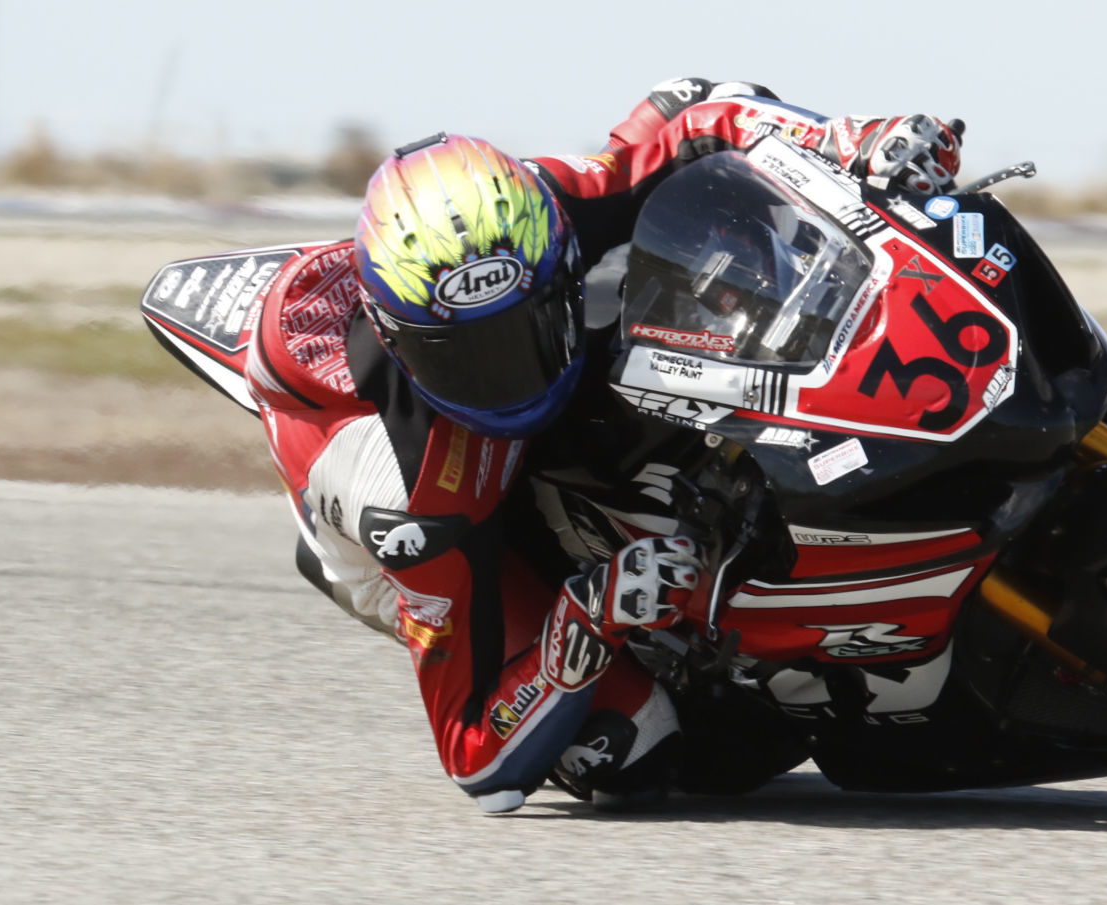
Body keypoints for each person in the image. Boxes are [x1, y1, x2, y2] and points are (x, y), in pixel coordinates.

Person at [245, 78, 963, 813]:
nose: (503, 381)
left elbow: (694, 111)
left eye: (521, 334)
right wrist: (590, 613)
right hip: (418, 528)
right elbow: (474, 755)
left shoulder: (554, 206)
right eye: (465, 358)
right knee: (639, 748)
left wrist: (851, 140)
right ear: (403, 345)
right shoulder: (411, 498)